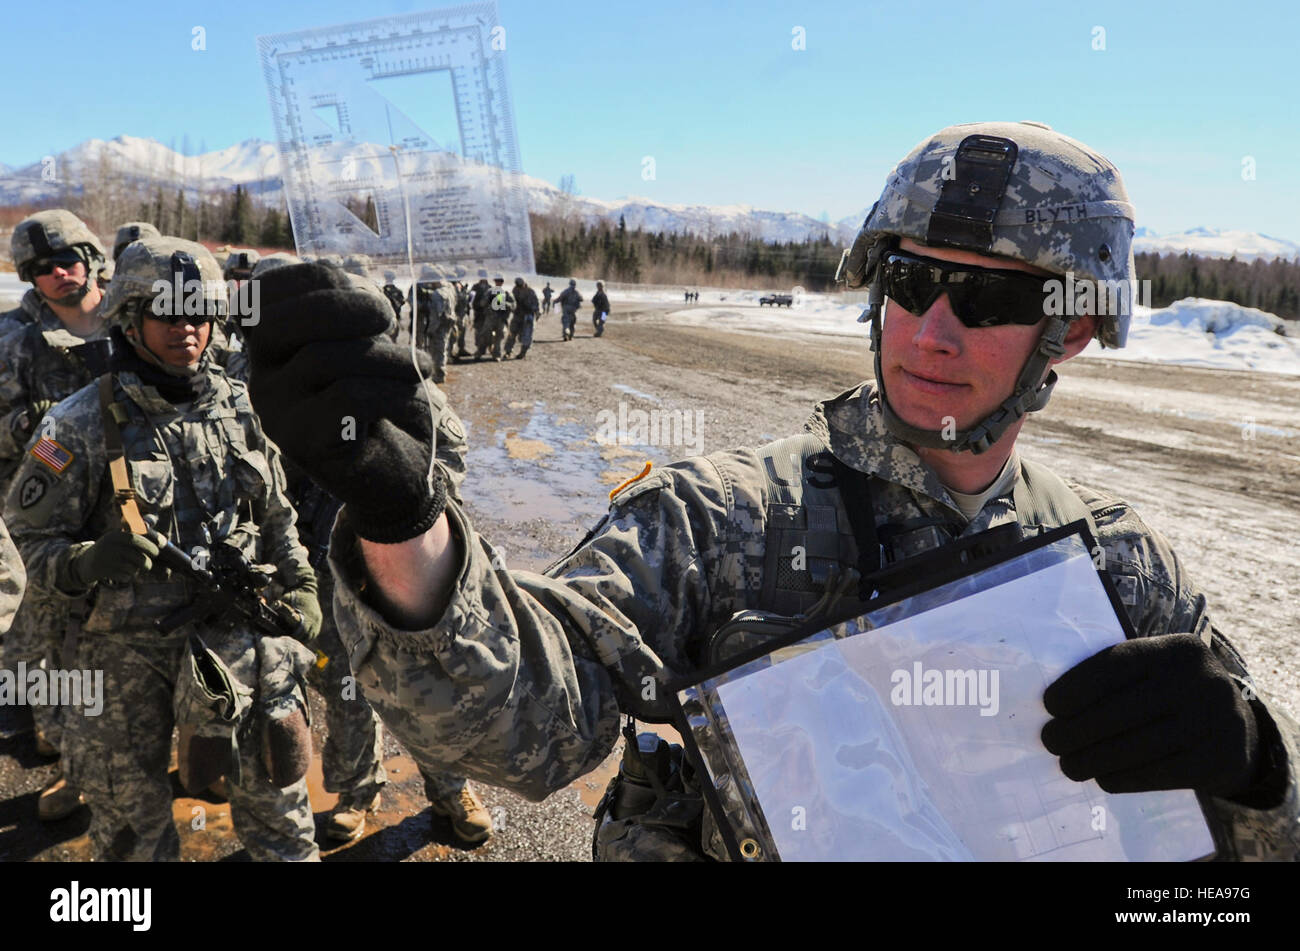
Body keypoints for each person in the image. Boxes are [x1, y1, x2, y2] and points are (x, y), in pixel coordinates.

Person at [245, 121, 1300, 862]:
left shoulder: (1115, 568)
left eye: (985, 297)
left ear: (1069, 329)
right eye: (910, 282)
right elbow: (524, 729)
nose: (932, 329)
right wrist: (402, 527)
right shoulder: (722, 520)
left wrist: (1255, 767)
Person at [4, 235, 324, 861]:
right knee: (130, 822)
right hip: (122, 654)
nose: (188, 329)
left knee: (280, 798)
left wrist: (300, 579)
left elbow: (276, 509)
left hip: (236, 631)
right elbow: (21, 545)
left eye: (199, 313)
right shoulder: (75, 423)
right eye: (167, 314)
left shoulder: (238, 404)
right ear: (130, 318)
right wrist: (85, 561)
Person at [0, 209, 112, 820]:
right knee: (54, 650)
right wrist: (38, 427)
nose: (62, 273)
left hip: (135, 510)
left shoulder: (134, 318)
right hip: (51, 523)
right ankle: (74, 769)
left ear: (92, 258)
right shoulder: (13, 341)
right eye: (44, 268)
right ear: (30, 277)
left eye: (71, 258)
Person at [504, 277, 539, 360]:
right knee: (511, 334)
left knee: (526, 336)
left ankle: (523, 353)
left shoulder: (531, 292)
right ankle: (508, 352)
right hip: (517, 315)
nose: (519, 287)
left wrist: (536, 315)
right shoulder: (515, 290)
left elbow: (536, 305)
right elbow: (512, 302)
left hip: (527, 316)